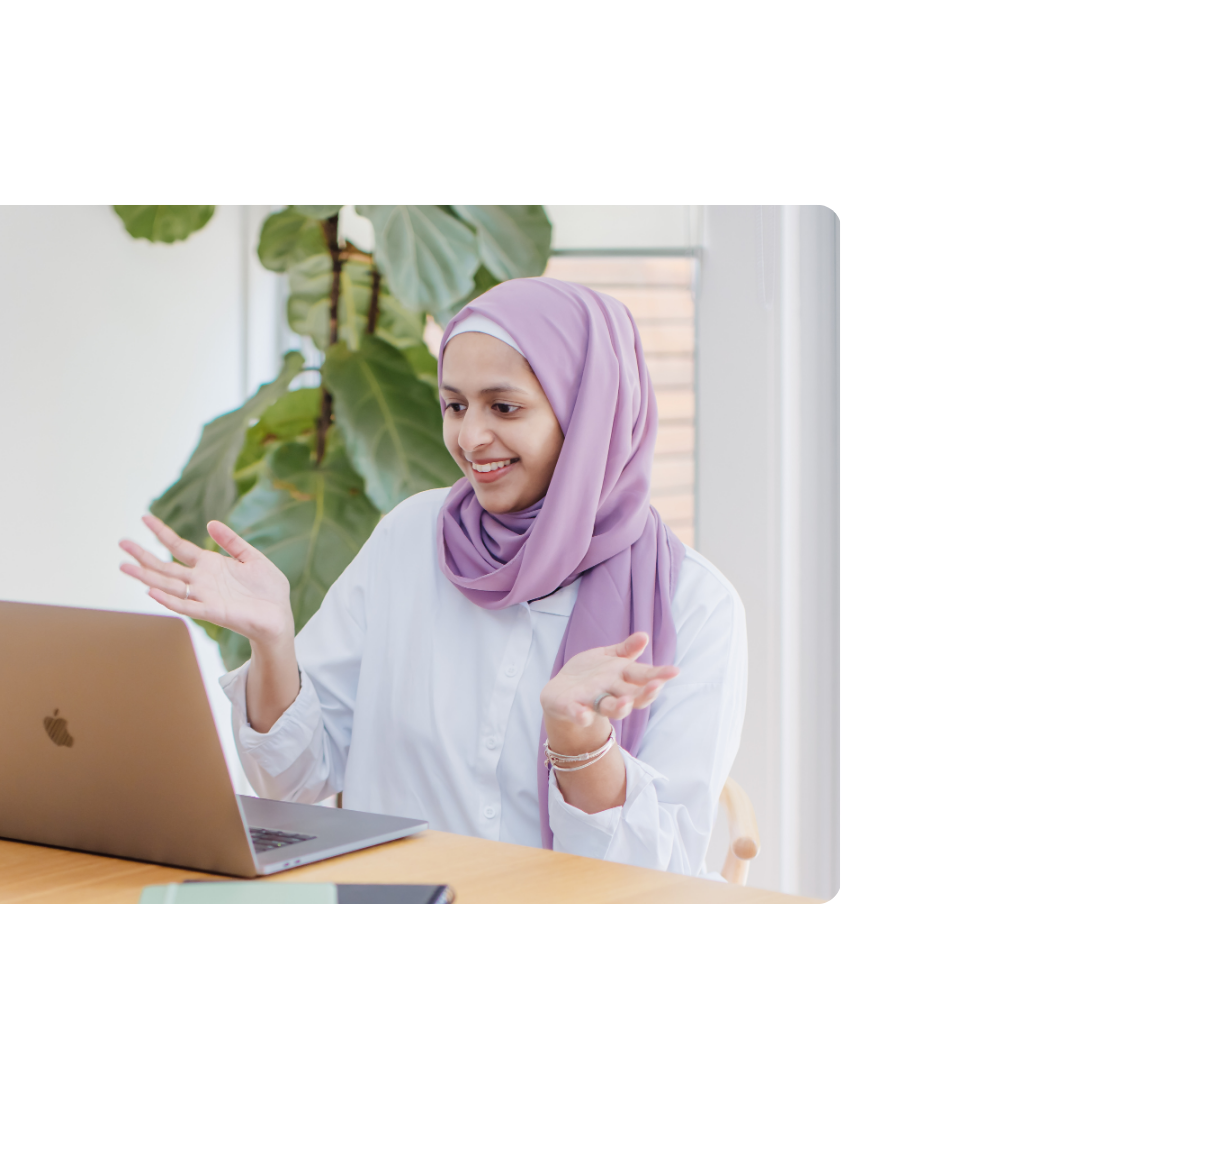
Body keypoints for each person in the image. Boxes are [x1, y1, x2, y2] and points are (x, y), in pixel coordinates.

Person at [119, 277, 747, 875]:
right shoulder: (410, 538)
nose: (471, 437)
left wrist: (580, 741)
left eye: (504, 406)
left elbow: (657, 879)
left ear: (591, 414)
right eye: (453, 405)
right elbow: (296, 781)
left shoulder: (694, 605)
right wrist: (273, 642)